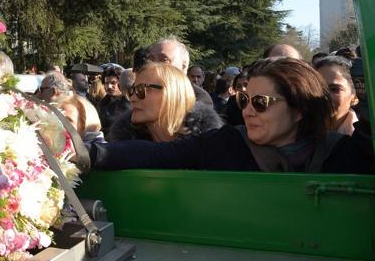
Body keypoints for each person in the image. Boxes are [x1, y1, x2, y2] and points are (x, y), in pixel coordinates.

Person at [87, 57, 375, 174]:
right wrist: (89, 154)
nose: (247, 110)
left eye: (261, 102)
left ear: (299, 108)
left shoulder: (344, 154)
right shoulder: (227, 144)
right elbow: (161, 155)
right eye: (245, 100)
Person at [107, 62, 222, 142]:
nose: (132, 98)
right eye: (132, 91)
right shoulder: (124, 148)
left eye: (141, 90)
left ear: (172, 93)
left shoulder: (210, 147)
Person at [147, 36, 213, 105]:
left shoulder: (199, 99)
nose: (154, 65)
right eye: (151, 60)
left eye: (164, 60)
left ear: (183, 67)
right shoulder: (141, 90)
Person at [314, 56, 359, 135]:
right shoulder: (297, 134)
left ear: (354, 96)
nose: (324, 96)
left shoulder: (365, 136)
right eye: (318, 88)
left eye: (334, 89)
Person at [97, 65, 130, 135]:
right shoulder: (101, 104)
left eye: (113, 83)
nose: (109, 86)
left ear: (121, 83)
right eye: (106, 83)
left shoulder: (130, 103)